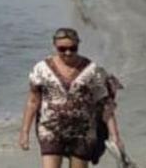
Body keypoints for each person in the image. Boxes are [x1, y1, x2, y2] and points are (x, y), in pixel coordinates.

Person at [20, 28, 124, 168]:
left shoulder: (91, 70)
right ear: (55, 46)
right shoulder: (41, 69)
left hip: (83, 131)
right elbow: (33, 101)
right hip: (50, 128)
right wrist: (24, 132)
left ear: (78, 45)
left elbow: (105, 104)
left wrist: (115, 136)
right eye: (62, 49)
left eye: (72, 48)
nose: (68, 53)